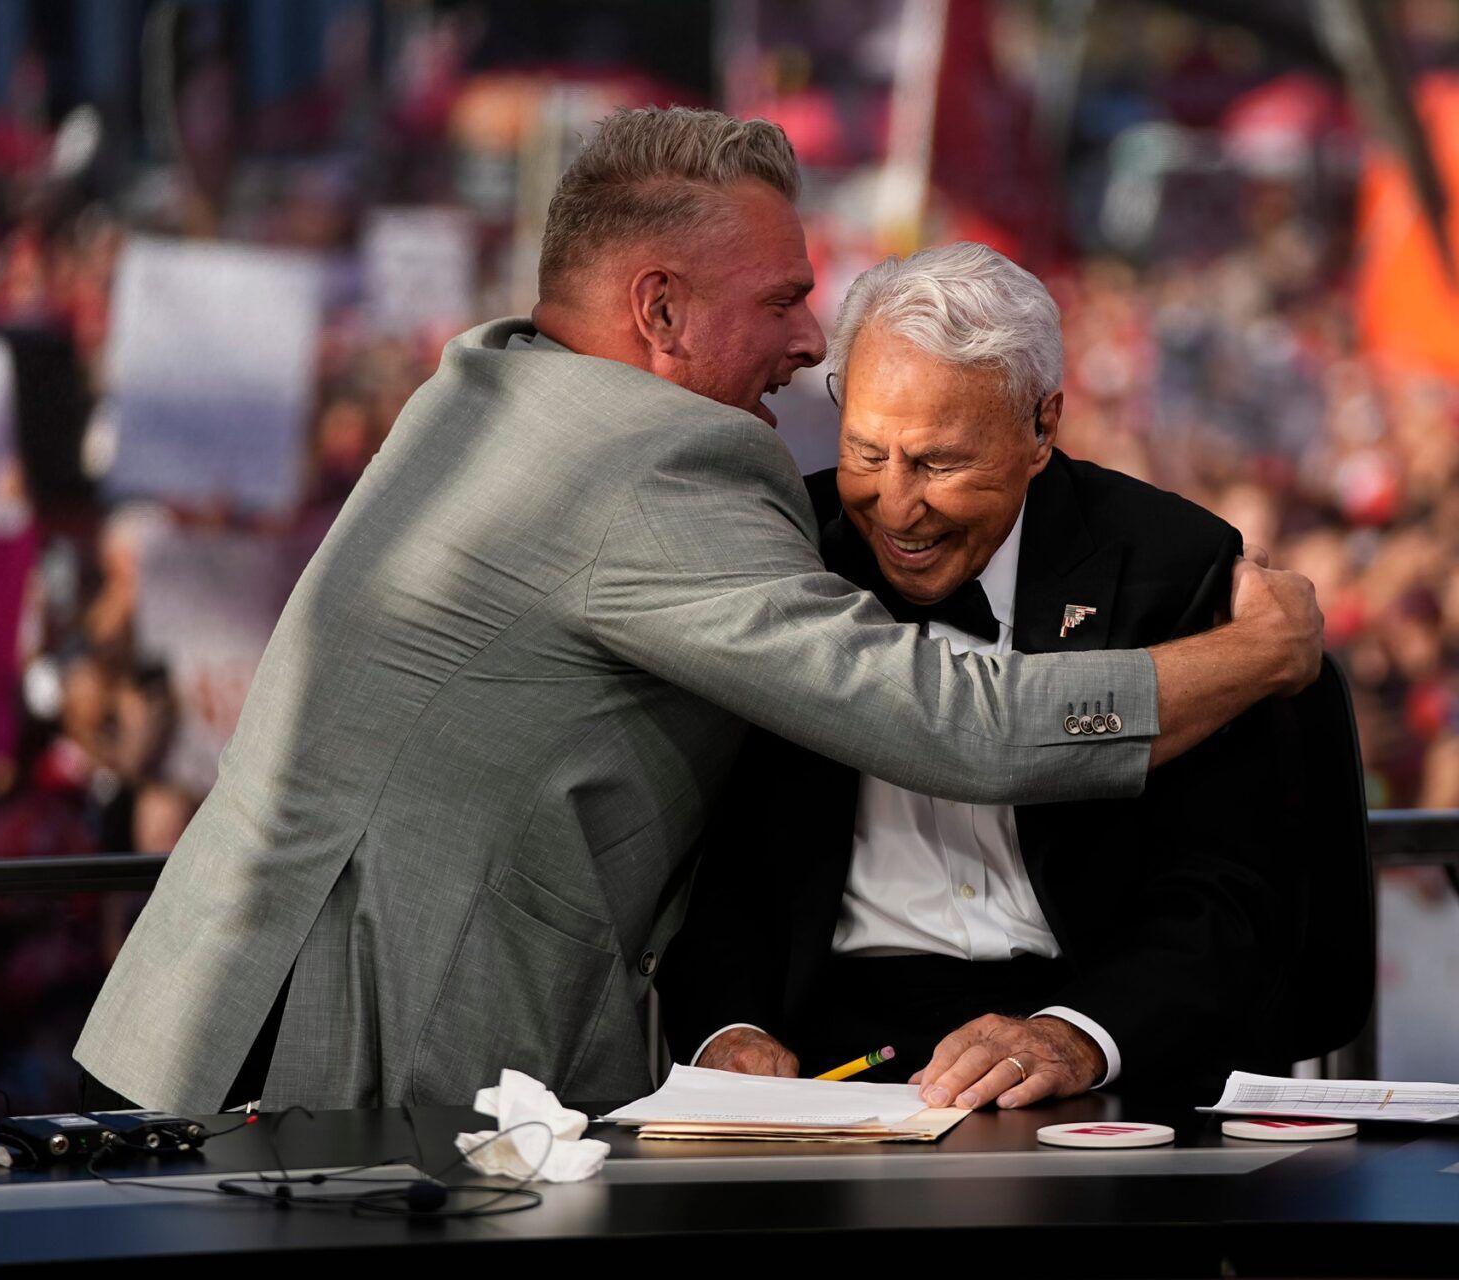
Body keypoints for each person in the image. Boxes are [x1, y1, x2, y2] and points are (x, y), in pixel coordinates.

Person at [74, 108, 1321, 1113]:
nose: (808, 339)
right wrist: (1249, 656)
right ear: (660, 309)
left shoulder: (491, 381)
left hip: (233, 1002)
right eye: (781, 298)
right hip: (360, 1043)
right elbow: (954, 724)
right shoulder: (658, 464)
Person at [663, 244, 1298, 1108]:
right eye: (867, 452)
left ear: (1043, 427)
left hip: (1096, 1051)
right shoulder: (782, 550)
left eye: (938, 463)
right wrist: (725, 1028)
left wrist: (1082, 1035)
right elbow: (711, 853)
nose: (896, 505)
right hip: (822, 1062)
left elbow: (1230, 889)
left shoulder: (1170, 566)